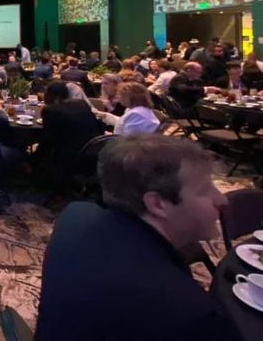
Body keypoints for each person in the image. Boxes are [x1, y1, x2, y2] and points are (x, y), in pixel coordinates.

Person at [35, 135, 242, 341]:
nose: (222, 199)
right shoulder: (195, 317)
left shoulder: (76, 214)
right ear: (158, 204)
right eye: (204, 190)